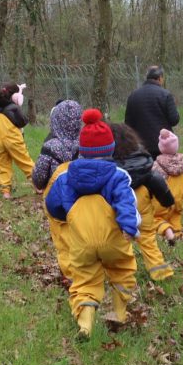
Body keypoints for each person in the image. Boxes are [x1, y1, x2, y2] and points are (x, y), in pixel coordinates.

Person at [46, 109, 140, 339]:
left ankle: (86, 323)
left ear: (82, 150)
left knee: (85, 280)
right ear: (110, 149)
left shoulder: (66, 177)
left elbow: (52, 204)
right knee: (122, 270)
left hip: (81, 240)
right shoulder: (117, 175)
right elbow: (126, 200)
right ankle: (119, 313)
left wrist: (66, 216)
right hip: (113, 239)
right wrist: (129, 226)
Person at [112, 123, 175, 282]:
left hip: (120, 201)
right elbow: (157, 180)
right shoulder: (142, 161)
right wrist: (167, 200)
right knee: (147, 238)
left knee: (120, 238)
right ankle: (161, 272)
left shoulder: (110, 164)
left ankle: (123, 275)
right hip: (142, 199)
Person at [32, 100, 83, 286]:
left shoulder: (51, 146)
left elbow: (40, 173)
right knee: (80, 234)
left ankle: (70, 274)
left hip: (56, 198)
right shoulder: (84, 143)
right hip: (80, 197)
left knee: (62, 239)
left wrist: (37, 183)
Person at [0, 83, 34, 198]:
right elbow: (22, 122)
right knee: (25, 162)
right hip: (14, 140)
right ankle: (38, 185)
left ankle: (6, 192)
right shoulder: (12, 108)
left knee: (3, 166)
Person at [124, 66, 180, 158]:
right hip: (162, 145)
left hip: (140, 146)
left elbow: (128, 124)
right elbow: (174, 120)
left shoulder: (133, 96)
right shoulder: (166, 95)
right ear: (160, 78)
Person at [152, 128, 183, 245]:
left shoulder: (157, 164)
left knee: (155, 218)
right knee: (175, 216)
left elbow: (153, 183)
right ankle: (177, 232)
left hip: (163, 202)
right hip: (178, 201)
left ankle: (167, 231)